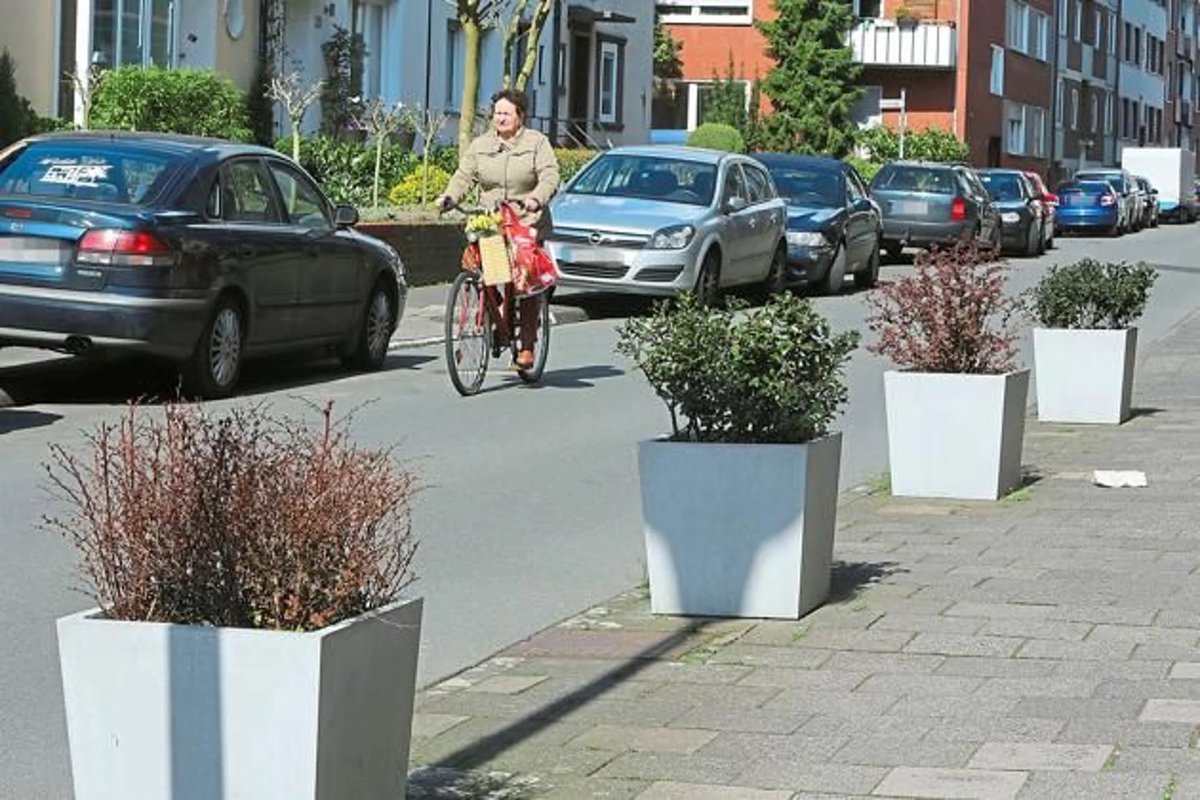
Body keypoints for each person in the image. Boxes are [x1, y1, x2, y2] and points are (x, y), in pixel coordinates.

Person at [436, 89, 560, 370]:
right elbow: (464, 176)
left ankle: (526, 345)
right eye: (497, 113)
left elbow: (550, 175)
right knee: (488, 270)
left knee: (525, 279)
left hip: (526, 221)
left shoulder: (536, 142)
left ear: (520, 116)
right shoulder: (481, 145)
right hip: (491, 220)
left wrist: (536, 198)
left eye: (506, 113)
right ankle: (495, 316)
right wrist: (449, 197)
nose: (500, 118)